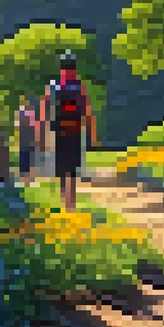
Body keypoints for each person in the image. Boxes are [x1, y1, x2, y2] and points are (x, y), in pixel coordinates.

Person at [40, 51, 97, 213]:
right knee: (71, 169)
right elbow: (87, 111)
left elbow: (45, 112)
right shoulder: (80, 86)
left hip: (59, 131)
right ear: (74, 67)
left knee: (61, 168)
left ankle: (64, 202)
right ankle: (71, 204)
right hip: (75, 131)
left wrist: (43, 134)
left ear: (61, 68)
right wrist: (92, 134)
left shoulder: (53, 86)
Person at [14, 94, 41, 184]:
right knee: (24, 158)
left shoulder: (30, 113)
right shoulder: (22, 112)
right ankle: (24, 178)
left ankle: (29, 178)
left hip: (29, 138)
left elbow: (35, 126)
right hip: (24, 139)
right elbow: (18, 125)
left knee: (30, 158)